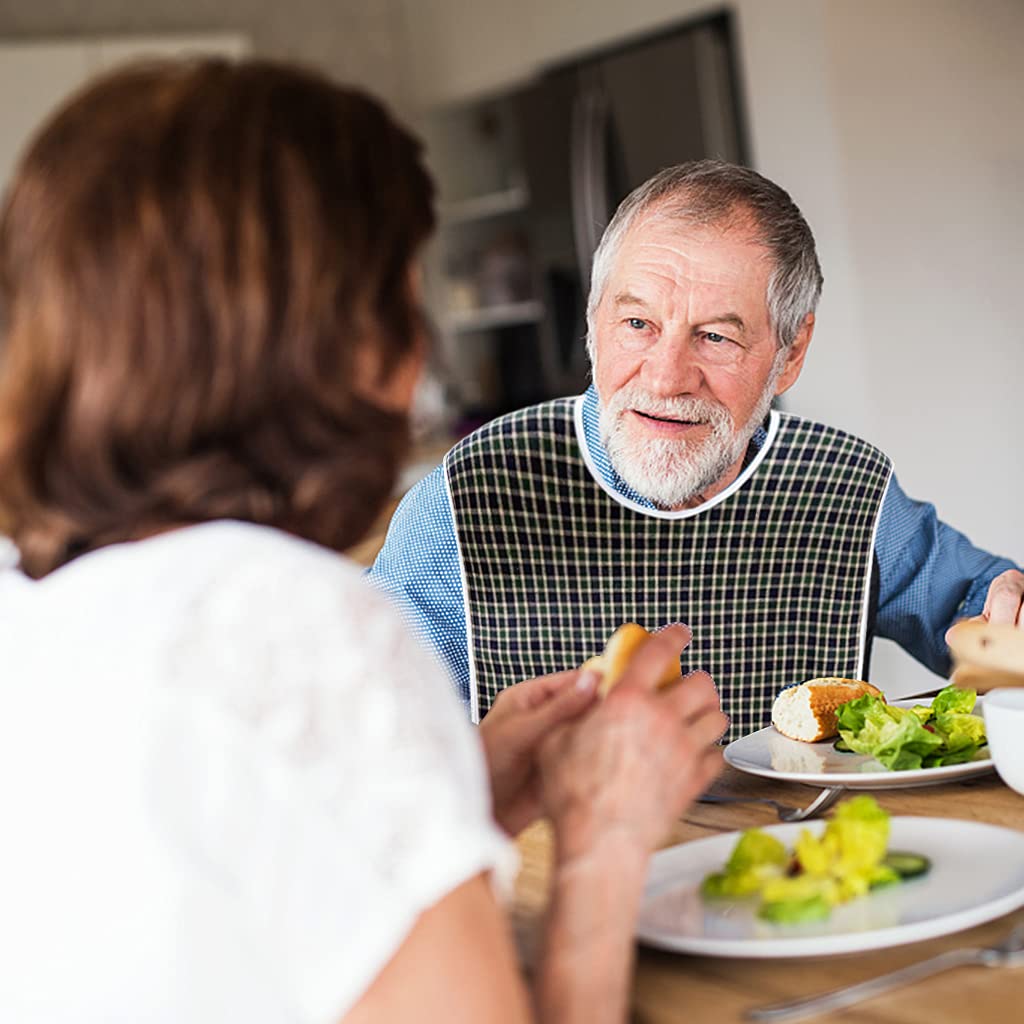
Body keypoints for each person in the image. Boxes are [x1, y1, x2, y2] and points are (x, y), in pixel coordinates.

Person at [0, 61, 726, 1023]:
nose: (418, 348)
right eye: (398, 294)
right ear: (330, 342)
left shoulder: (34, 599)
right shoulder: (293, 625)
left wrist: (453, 797)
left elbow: (224, 911)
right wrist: (602, 845)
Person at [370, 160, 1024, 738]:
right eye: (637, 324)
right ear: (593, 325)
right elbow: (369, 746)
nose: (664, 378)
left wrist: (1009, 620)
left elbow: (987, 617)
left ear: (790, 352)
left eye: (714, 337)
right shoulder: (465, 500)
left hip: (801, 864)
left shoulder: (845, 489)